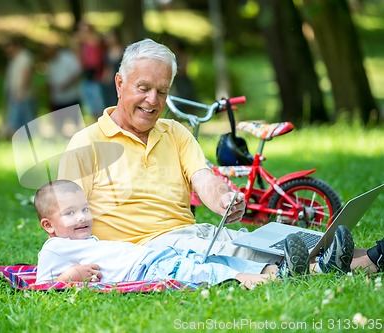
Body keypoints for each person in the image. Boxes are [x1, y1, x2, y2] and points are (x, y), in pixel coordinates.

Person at [58, 38, 382, 275]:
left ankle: (365, 255)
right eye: (143, 88)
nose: (152, 100)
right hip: (150, 250)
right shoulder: (85, 143)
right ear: (119, 84)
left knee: (278, 237)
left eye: (162, 91)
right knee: (249, 251)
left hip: (196, 236)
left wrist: (225, 198)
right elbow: (63, 222)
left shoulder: (175, 133)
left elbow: (204, 179)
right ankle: (363, 264)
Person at [34, 180, 319, 288]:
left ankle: (276, 270)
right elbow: (41, 286)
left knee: (218, 259)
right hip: (148, 268)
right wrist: (69, 278)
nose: (82, 217)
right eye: (70, 213)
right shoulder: (54, 249)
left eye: (84, 209)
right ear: (48, 225)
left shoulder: (85, 241)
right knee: (205, 272)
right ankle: (259, 280)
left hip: (155, 255)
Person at [44, 44, 82, 132]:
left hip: (71, 96)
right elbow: (49, 80)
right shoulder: (50, 63)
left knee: (75, 122)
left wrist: (67, 84)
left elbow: (77, 73)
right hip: (57, 98)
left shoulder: (68, 58)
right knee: (58, 122)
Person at [4, 38, 37, 135]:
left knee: (26, 120)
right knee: (17, 121)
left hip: (23, 95)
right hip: (15, 95)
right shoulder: (14, 59)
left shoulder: (25, 57)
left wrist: (20, 92)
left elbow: (26, 75)